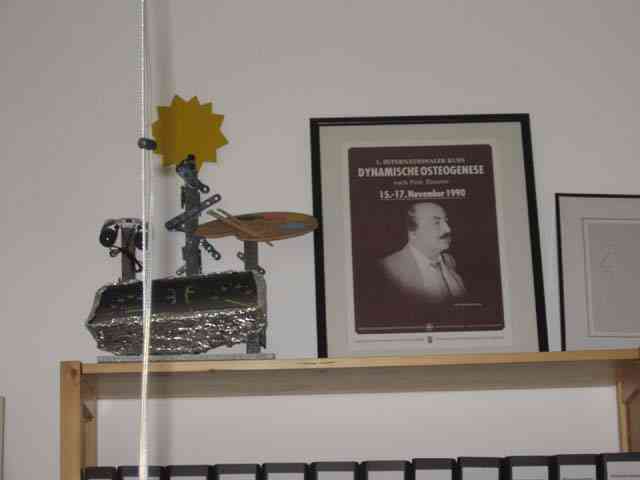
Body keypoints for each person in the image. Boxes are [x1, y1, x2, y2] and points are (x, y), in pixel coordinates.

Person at [379, 202, 466, 304]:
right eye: (436, 223)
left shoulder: (449, 260)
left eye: (446, 221)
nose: (448, 229)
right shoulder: (387, 269)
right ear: (413, 233)